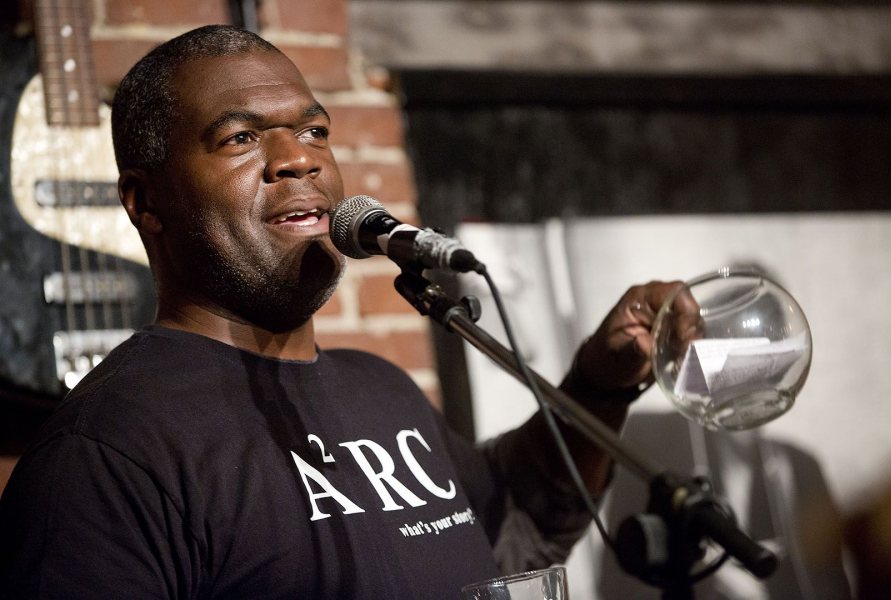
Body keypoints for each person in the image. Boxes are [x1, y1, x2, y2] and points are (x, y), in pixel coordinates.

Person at [0, 25, 686, 599]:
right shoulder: (102, 457)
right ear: (146, 202)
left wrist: (600, 383)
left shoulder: (380, 388)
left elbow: (517, 529)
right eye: (240, 138)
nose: (297, 157)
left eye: (315, 130)